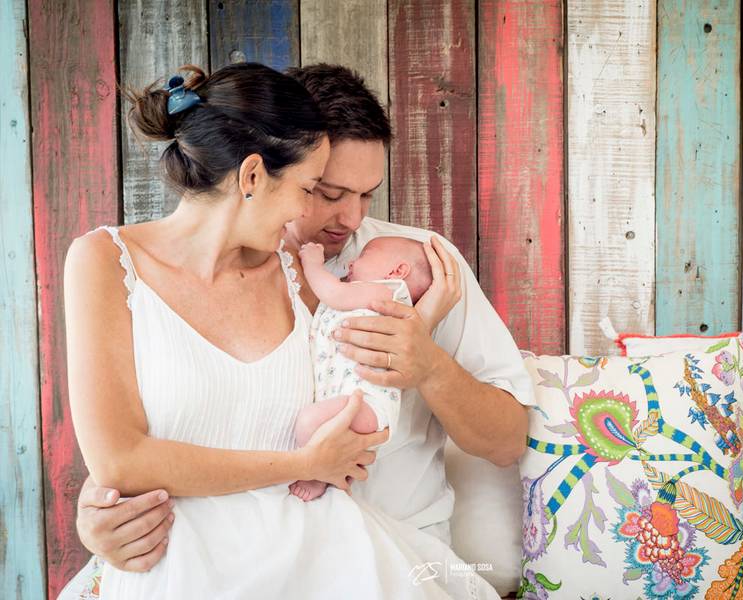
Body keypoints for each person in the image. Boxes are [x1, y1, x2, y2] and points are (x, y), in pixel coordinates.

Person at [61, 64, 534, 598]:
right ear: (254, 174)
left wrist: (426, 358)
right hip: (211, 552)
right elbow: (158, 436)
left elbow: (506, 440)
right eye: (322, 190)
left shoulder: (419, 268)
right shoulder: (252, 267)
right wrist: (105, 504)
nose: (351, 218)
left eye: (367, 195)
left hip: (366, 546)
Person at [290, 237, 433, 502]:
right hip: (354, 400)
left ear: (397, 271)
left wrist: (312, 264)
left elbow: (334, 293)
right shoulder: (369, 296)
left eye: (365, 255)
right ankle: (334, 473)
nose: (352, 262)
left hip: (367, 403)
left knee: (309, 422)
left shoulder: (388, 292)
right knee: (317, 427)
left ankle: (316, 476)